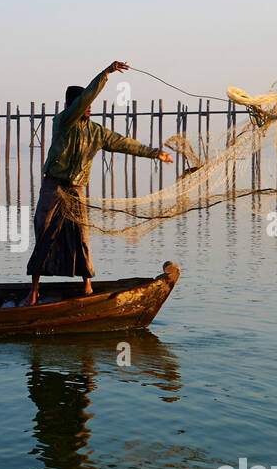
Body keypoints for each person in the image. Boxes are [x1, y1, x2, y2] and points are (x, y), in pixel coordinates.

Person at [25, 61, 172, 305]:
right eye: (84, 102)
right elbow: (85, 99)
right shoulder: (63, 122)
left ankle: (88, 286)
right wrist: (106, 74)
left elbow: (124, 143)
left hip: (75, 189)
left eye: (89, 102)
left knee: (80, 235)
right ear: (73, 105)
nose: (89, 106)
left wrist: (156, 153)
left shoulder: (96, 132)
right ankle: (34, 290)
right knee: (44, 231)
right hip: (53, 186)